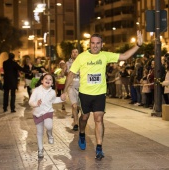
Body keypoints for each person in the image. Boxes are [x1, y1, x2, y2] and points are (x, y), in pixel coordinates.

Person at [61, 31, 143, 160]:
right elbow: (71, 74)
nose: (95, 46)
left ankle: (99, 148)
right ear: (89, 44)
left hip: (99, 93)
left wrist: (138, 45)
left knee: (98, 118)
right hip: (85, 94)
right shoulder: (82, 57)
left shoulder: (105, 55)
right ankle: (82, 134)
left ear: (101, 44)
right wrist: (64, 91)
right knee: (84, 117)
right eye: (93, 43)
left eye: (98, 43)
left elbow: (124, 56)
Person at [29, 73, 65, 158]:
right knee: (39, 132)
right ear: (42, 80)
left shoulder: (52, 92)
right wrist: (36, 104)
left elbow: (53, 100)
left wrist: (61, 99)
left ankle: (50, 134)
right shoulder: (36, 90)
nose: (48, 80)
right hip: (37, 113)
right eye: (46, 78)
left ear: (52, 83)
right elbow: (30, 102)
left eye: (50, 79)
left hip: (48, 112)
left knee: (49, 126)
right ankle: (40, 149)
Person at [66, 48, 80, 131]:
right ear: (71, 54)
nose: (74, 53)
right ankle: (75, 123)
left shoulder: (82, 62)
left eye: (76, 52)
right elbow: (66, 74)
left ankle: (76, 113)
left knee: (78, 106)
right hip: (71, 86)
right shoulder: (68, 63)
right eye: (73, 52)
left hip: (81, 87)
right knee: (74, 106)